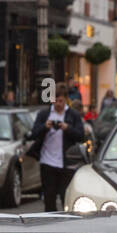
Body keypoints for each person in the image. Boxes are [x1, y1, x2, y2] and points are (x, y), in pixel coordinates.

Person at [27, 82, 84, 213]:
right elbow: (33, 134)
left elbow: (81, 136)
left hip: (67, 163)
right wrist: (45, 127)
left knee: (66, 196)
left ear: (66, 100)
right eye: (55, 101)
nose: (58, 104)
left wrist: (67, 128)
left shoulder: (73, 115)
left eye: (61, 101)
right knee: (49, 197)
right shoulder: (44, 114)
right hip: (47, 162)